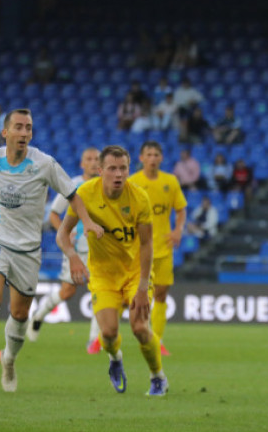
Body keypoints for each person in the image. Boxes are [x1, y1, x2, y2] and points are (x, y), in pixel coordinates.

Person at [0, 108, 103, 392]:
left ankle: (9, 359)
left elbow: (72, 196)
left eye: (28, 127)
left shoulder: (44, 164)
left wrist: (87, 221)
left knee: (19, 315)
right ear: (5, 132)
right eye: (18, 127)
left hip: (28, 250)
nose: (24, 133)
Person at [56, 145, 168, 396]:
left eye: (123, 168)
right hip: (103, 275)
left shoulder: (139, 197)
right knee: (107, 333)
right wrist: (73, 256)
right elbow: (62, 234)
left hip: (134, 273)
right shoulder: (85, 194)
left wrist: (141, 286)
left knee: (139, 328)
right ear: (100, 170)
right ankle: (115, 358)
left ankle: (157, 376)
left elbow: (147, 245)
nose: (118, 174)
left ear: (129, 169)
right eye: (112, 168)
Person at [26, 148, 102, 353]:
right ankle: (38, 316)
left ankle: (94, 340)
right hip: (76, 250)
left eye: (97, 159)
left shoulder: (106, 185)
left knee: (99, 291)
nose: (94, 162)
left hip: (101, 249)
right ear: (82, 164)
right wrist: (65, 231)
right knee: (67, 291)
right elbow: (53, 214)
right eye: (89, 159)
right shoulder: (73, 184)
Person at [128, 141, 187, 356]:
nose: (152, 158)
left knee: (161, 294)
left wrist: (179, 229)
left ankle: (157, 341)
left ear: (161, 158)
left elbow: (181, 209)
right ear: (141, 158)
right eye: (148, 154)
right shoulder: (133, 182)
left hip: (163, 247)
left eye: (156, 154)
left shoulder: (170, 182)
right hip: (138, 249)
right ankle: (106, 335)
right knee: (134, 294)